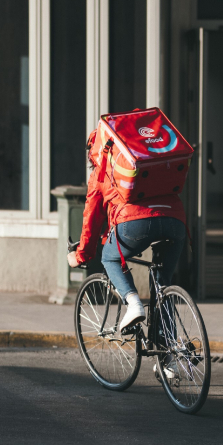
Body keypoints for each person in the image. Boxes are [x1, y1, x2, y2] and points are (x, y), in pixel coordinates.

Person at [67, 131, 187, 330]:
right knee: (162, 287)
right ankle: (169, 356)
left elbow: (92, 218)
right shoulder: (147, 158)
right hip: (176, 221)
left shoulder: (102, 170)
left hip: (134, 222)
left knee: (109, 258)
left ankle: (133, 304)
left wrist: (80, 256)